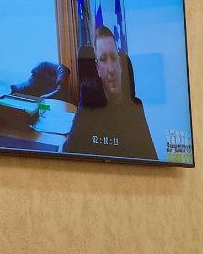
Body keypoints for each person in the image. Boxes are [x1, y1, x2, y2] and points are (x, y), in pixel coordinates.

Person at [63, 26, 159, 161]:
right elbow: (69, 153)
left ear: (120, 64)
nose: (111, 69)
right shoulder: (88, 106)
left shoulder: (135, 108)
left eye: (113, 58)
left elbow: (151, 161)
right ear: (97, 68)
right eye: (103, 59)